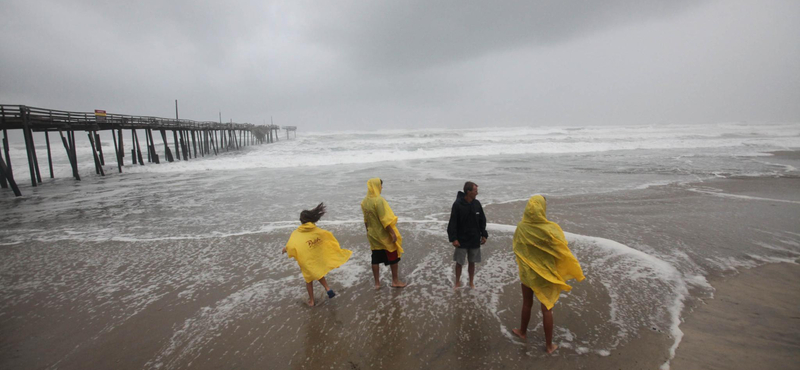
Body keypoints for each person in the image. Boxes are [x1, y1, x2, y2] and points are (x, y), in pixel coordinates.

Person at [511, 195, 584, 353]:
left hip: (527, 274)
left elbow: (517, 247)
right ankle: (549, 345)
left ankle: (522, 332)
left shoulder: (521, 227)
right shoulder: (551, 229)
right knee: (547, 309)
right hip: (545, 275)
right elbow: (561, 249)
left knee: (526, 304)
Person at [282, 203, 352, 306]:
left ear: (301, 221)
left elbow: (292, 245)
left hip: (306, 260)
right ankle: (328, 289)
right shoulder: (315, 229)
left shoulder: (297, 232)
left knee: (308, 280)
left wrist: (285, 249)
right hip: (315, 257)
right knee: (318, 273)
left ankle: (312, 301)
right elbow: (324, 236)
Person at [361, 178, 407, 289]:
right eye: (380, 185)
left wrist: (368, 232)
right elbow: (384, 219)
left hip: (372, 234)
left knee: (375, 258)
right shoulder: (379, 200)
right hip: (383, 235)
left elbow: (366, 220)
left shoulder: (364, 202)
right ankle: (395, 281)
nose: (382, 188)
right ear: (376, 186)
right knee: (393, 256)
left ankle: (377, 284)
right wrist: (392, 233)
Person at [447, 181, 488, 289]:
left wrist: (484, 234)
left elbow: (482, 220)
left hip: (474, 238)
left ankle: (471, 282)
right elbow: (453, 223)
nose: (477, 193)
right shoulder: (457, 204)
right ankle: (457, 282)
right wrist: (453, 239)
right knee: (459, 262)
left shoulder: (477, 203)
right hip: (461, 239)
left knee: (472, 262)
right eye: (475, 191)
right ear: (468, 191)